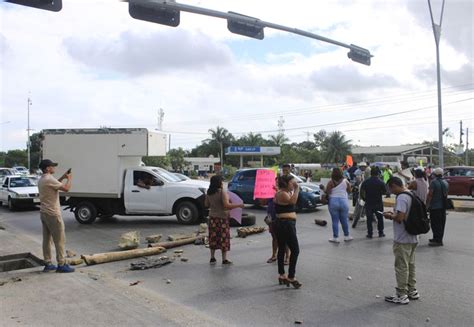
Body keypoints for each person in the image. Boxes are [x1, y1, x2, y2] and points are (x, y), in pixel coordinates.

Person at [383, 177, 419, 305]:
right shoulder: (411, 194)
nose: (391, 191)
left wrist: (389, 215)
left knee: (401, 267)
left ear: (394, 185)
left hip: (403, 238)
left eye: (391, 188)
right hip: (413, 236)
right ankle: (412, 290)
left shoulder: (402, 197)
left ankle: (401, 295)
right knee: (411, 265)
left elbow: (400, 217)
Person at [38, 159, 74, 273]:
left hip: (44, 213)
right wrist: (69, 179)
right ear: (47, 168)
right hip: (53, 214)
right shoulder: (49, 179)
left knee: (47, 239)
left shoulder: (43, 179)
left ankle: (48, 263)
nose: (54, 168)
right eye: (52, 166)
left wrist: (62, 177)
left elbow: (54, 185)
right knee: (60, 240)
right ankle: (61, 264)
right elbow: (66, 189)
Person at [205, 175, 244, 265]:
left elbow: (206, 204)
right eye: (221, 182)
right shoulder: (222, 192)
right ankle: (224, 259)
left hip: (212, 218)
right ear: (219, 183)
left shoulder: (209, 192)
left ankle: (212, 257)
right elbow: (226, 205)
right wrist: (238, 205)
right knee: (224, 238)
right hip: (222, 218)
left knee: (213, 237)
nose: (223, 183)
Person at [274, 175, 302, 289]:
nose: (293, 184)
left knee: (282, 248)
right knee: (295, 250)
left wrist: (294, 189)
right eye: (292, 182)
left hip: (284, 224)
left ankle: (282, 274)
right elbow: (292, 202)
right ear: (285, 183)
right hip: (286, 224)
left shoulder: (283, 193)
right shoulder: (282, 194)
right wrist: (297, 189)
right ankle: (291, 276)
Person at [326, 168, 353, 243]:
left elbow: (328, 192)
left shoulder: (330, 182)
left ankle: (336, 237)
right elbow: (350, 191)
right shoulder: (346, 181)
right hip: (344, 201)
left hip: (333, 202)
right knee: (344, 220)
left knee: (335, 221)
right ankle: (347, 236)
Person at [360, 167, 386, 238]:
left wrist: (364, 199)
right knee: (380, 218)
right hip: (378, 203)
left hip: (369, 203)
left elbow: (361, 192)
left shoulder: (365, 182)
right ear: (378, 173)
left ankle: (370, 234)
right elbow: (385, 192)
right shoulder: (381, 182)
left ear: (371, 173)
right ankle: (381, 233)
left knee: (369, 219)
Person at [426, 168, 449, 247]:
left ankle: (438, 241)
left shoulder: (433, 182)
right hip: (443, 207)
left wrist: (427, 205)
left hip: (435, 207)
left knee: (435, 224)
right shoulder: (445, 182)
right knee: (441, 223)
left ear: (434, 174)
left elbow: (430, 195)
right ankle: (437, 238)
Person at [265, 198, 290, 264]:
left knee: (284, 239)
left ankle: (287, 257)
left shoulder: (283, 194)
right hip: (272, 219)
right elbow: (268, 210)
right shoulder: (270, 198)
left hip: (282, 220)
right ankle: (274, 255)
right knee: (274, 238)